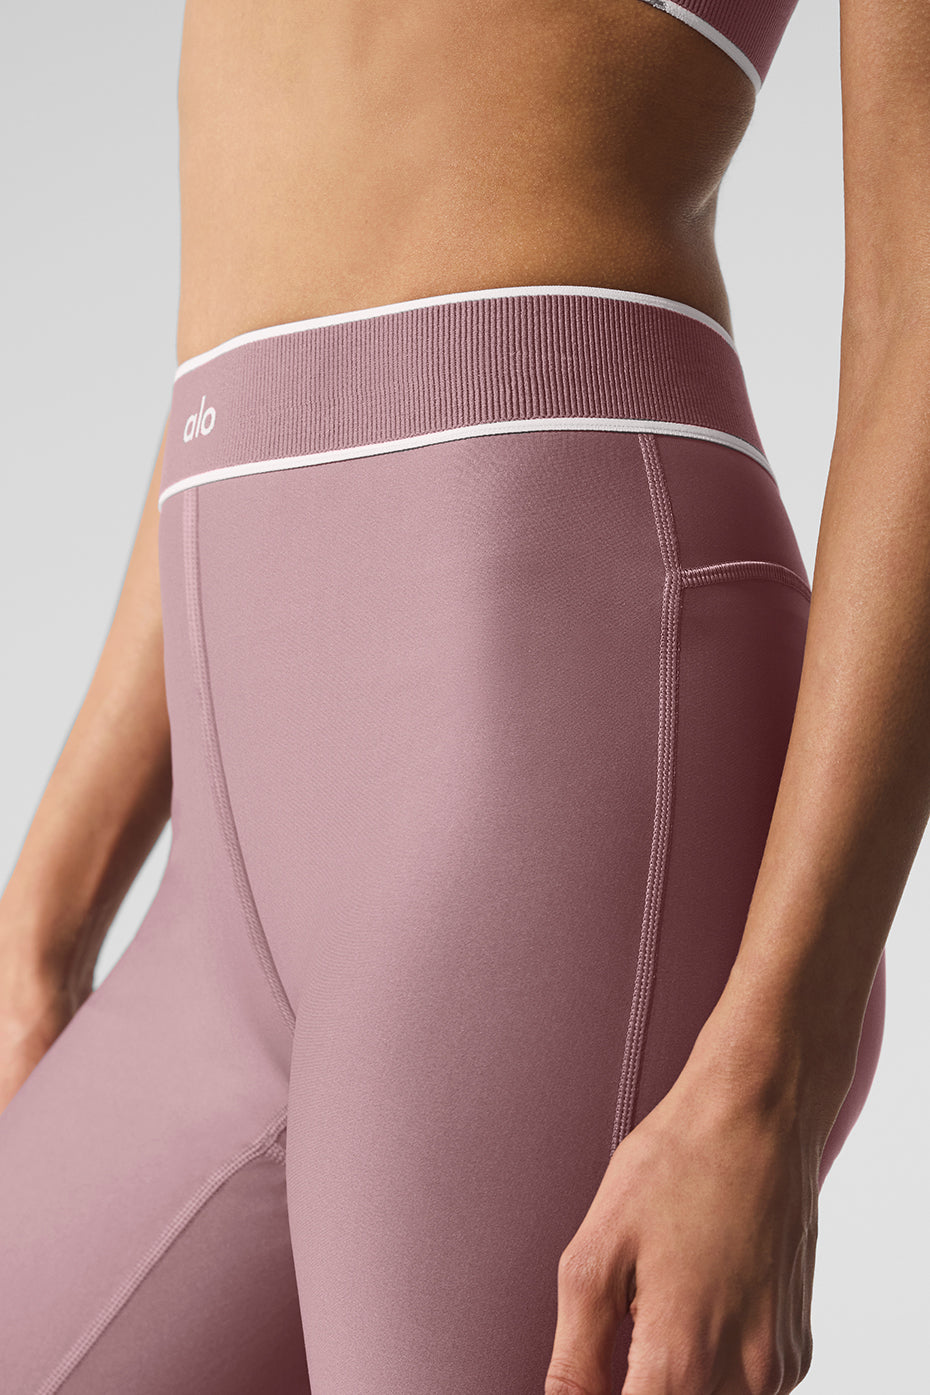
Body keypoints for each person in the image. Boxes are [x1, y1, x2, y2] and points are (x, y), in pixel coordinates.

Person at [0, 0, 920, 1391]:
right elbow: (278, 302)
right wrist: (43, 922)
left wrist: (770, 1082)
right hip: (229, 857)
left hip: (557, 734)